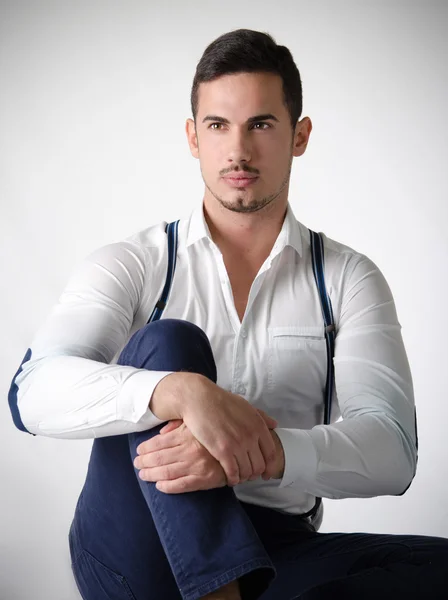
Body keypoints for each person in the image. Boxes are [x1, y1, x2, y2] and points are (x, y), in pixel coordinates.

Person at [8, 28, 448, 600]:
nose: (238, 151)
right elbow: (31, 393)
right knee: (169, 345)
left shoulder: (347, 278)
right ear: (194, 137)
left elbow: (392, 450)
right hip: (136, 540)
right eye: (218, 126)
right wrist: (183, 394)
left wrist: (254, 456)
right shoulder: (137, 262)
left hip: (274, 546)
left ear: (299, 136)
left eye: (260, 124)